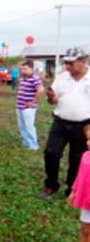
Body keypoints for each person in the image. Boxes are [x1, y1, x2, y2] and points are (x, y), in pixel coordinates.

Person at [41, 47, 90, 199]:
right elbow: (53, 101)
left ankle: (72, 189)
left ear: (83, 61)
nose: (67, 66)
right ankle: (51, 185)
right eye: (66, 63)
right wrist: (50, 97)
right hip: (60, 122)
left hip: (84, 125)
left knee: (77, 159)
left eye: (71, 63)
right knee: (51, 153)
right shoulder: (62, 77)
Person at [16, 61, 45, 151]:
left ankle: (33, 145)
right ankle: (26, 142)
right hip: (20, 106)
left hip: (28, 108)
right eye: (22, 69)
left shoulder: (35, 79)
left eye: (25, 69)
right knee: (22, 126)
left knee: (29, 126)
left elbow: (41, 90)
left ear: (31, 69)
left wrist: (34, 101)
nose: (23, 70)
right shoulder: (23, 78)